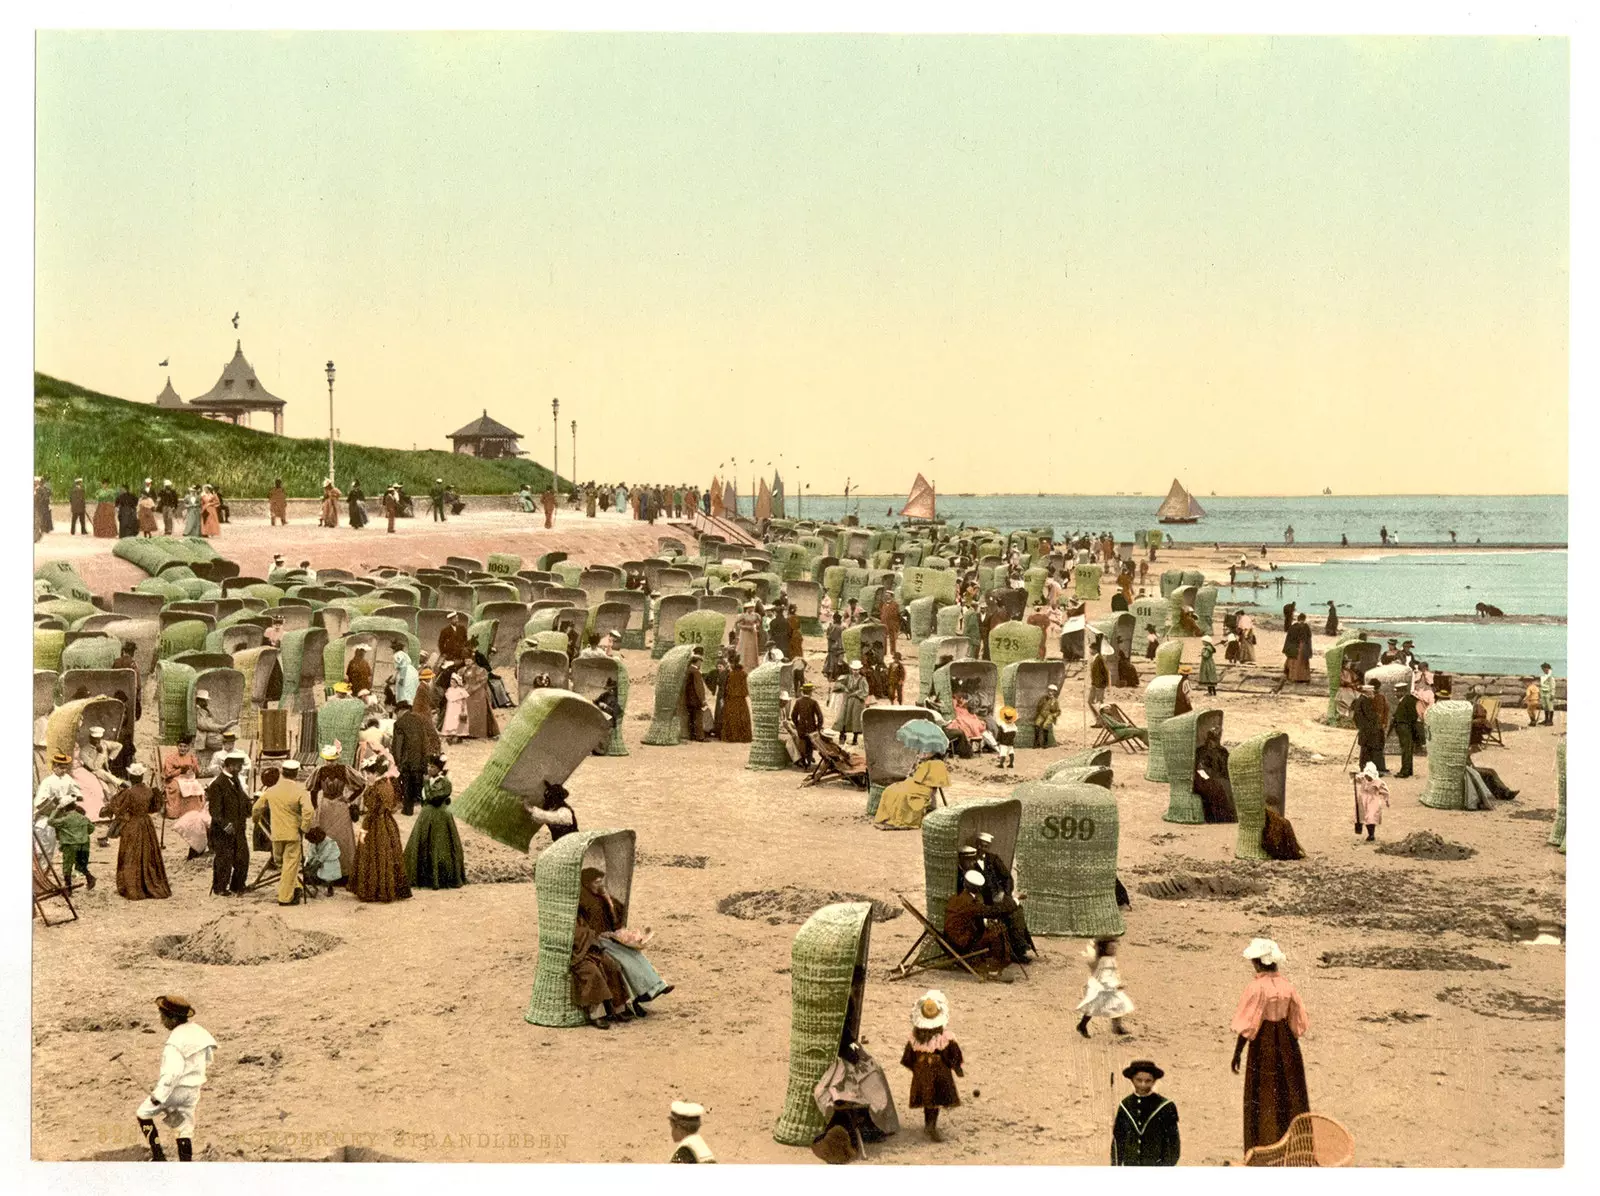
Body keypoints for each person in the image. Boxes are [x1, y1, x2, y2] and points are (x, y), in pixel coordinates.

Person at [1231, 938, 1311, 1153]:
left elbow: (1248, 1024)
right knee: (1289, 1091)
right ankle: (1292, 1144)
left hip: (1263, 1044)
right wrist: (1288, 1040)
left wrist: (1238, 1052)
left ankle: (1264, 1143)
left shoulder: (1256, 988)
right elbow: (1298, 1022)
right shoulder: (1287, 986)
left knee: (1263, 1092)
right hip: (1287, 1043)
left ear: (1257, 963)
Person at [136, 995, 216, 1163]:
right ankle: (185, 1164)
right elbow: (209, 1057)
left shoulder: (174, 1043)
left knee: (143, 1114)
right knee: (184, 1128)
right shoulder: (198, 1031)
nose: (161, 1021)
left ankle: (159, 1157)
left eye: (163, 1017)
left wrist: (159, 1096)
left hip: (175, 1090)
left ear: (172, 1018)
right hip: (194, 1089)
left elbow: (172, 1074)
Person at [901, 991, 964, 1142]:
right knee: (935, 1101)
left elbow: (908, 1058)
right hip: (938, 1072)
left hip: (922, 1073)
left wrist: (917, 1070)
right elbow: (953, 1053)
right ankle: (931, 1127)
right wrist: (957, 1068)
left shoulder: (915, 1038)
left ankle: (928, 1124)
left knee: (927, 1099)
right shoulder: (944, 1037)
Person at [252, 758, 315, 906]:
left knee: (282, 864)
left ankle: (296, 887)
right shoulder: (300, 791)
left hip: (276, 834)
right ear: (296, 773)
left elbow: (256, 808)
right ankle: (285, 898)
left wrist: (257, 820)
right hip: (293, 834)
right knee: (290, 865)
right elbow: (309, 811)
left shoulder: (271, 791)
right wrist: (304, 828)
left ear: (282, 772)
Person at [350, 757, 411, 903]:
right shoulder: (387, 784)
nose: (367, 776)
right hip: (388, 822)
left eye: (368, 773)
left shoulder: (376, 787)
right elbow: (394, 803)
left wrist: (369, 788)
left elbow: (371, 805)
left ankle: (375, 890)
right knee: (388, 853)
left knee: (372, 852)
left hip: (375, 823)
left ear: (375, 773)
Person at [107, 764, 170, 900]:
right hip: (146, 824)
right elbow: (154, 808)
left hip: (133, 825)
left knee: (131, 854)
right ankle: (149, 883)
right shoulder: (149, 791)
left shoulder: (128, 792)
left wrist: (113, 805)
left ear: (131, 777)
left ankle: (133, 887)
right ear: (141, 777)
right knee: (148, 853)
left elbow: (119, 810)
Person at [406, 755, 466, 889]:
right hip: (427, 816)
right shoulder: (430, 780)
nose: (429, 768)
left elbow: (433, 797)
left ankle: (441, 879)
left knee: (438, 846)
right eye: (428, 766)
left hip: (440, 818)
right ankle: (424, 878)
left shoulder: (444, 782)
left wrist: (426, 783)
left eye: (432, 767)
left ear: (439, 769)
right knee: (423, 844)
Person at [972, 833, 1034, 962]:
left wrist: (1004, 893)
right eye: (981, 845)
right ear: (977, 845)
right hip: (983, 901)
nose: (983, 848)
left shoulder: (994, 859)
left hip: (998, 897)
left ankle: (1019, 949)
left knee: (1017, 912)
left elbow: (1007, 878)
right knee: (1009, 912)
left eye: (986, 846)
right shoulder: (970, 862)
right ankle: (1011, 952)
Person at [941, 868, 1012, 974]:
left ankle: (989, 962)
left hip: (950, 940)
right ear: (979, 889)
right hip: (962, 945)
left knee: (990, 930)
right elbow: (992, 912)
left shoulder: (956, 898)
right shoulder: (970, 903)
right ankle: (994, 967)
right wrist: (1014, 902)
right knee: (997, 931)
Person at [1111, 1061, 1180, 1166]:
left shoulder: (1166, 1106)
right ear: (1132, 1080)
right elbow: (1118, 1140)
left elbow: (1173, 1144)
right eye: (1139, 1080)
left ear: (1154, 1081)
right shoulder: (1125, 1105)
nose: (1143, 1085)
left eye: (1148, 1081)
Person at [206, 753, 251, 896]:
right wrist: (225, 825)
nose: (240, 768)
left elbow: (242, 799)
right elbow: (215, 810)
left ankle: (237, 886)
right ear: (230, 765)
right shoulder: (217, 784)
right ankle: (220, 888)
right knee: (224, 859)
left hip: (238, 827)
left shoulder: (235, 780)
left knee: (242, 857)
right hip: (223, 830)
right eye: (238, 765)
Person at [873, 750, 949, 830]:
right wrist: (916, 765)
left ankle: (900, 820)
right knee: (889, 790)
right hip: (911, 783)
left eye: (928, 751)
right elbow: (911, 775)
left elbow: (933, 783)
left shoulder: (937, 764)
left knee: (902, 795)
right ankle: (888, 817)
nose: (924, 752)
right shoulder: (921, 761)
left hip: (923, 787)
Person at [1076, 938, 1133, 1037]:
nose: (1114, 949)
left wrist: (1118, 982)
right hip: (1104, 988)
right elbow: (1104, 975)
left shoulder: (1111, 959)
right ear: (1105, 949)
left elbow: (1114, 973)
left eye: (1115, 947)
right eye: (1111, 948)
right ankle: (1082, 1024)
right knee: (1095, 1006)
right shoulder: (1104, 960)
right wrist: (1114, 985)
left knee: (1117, 1004)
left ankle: (1117, 1027)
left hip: (1110, 987)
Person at [47, 793, 96, 893]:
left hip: (70, 845)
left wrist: (56, 809)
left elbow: (50, 821)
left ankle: (68, 888)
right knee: (81, 864)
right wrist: (81, 834)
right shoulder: (83, 817)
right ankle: (90, 878)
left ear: (64, 808)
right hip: (84, 844)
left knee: (67, 865)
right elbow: (91, 828)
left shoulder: (65, 819)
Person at [391, 698, 429, 815]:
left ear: (401, 711)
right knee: (419, 784)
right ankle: (426, 809)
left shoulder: (399, 724)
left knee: (407, 784)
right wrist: (424, 758)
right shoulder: (419, 721)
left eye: (396, 713)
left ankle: (408, 810)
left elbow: (398, 745)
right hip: (419, 757)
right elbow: (425, 741)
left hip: (406, 760)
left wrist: (398, 762)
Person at [1194, 727, 1236, 823]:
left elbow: (1227, 767)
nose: (1214, 741)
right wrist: (1209, 779)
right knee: (1217, 789)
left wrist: (1228, 778)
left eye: (1217, 737)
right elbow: (1200, 770)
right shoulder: (1201, 751)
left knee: (1230, 787)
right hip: (1205, 780)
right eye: (1213, 737)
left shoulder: (1223, 751)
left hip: (1221, 779)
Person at [1351, 680, 1387, 775]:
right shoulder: (1365, 701)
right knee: (1367, 750)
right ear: (1367, 692)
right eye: (1371, 691)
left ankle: (1365, 767)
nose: (1372, 693)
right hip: (1368, 730)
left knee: (1365, 749)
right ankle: (1365, 768)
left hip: (1364, 729)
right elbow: (1370, 715)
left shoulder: (1360, 700)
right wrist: (1377, 717)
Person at [1391, 683, 1422, 778]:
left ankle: (1405, 771)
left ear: (1403, 691)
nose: (1395, 694)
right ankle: (1408, 770)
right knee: (1407, 749)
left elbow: (1413, 715)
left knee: (1406, 750)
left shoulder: (1409, 700)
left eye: (1397, 692)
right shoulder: (1405, 700)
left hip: (1405, 728)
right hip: (1404, 728)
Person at [790, 682, 825, 767]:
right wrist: (818, 727)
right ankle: (808, 763)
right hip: (811, 729)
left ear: (803, 692)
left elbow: (793, 715)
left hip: (801, 729)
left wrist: (798, 725)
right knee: (809, 746)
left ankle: (803, 762)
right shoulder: (813, 702)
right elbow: (820, 716)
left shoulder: (798, 702)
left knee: (802, 745)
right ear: (810, 692)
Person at [834, 660, 868, 745]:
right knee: (843, 717)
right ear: (851, 669)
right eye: (853, 669)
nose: (855, 671)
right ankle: (842, 736)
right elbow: (837, 683)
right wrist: (844, 687)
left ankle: (855, 738)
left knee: (855, 719)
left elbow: (865, 691)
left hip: (857, 701)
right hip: (848, 700)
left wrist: (857, 693)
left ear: (859, 670)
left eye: (857, 670)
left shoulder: (863, 679)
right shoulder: (847, 677)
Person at [1353, 761, 1389, 842]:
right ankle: (1359, 827)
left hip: (1373, 801)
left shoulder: (1378, 782)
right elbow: (1355, 779)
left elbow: (1385, 791)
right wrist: (1353, 775)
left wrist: (1386, 800)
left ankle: (1371, 834)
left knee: (1371, 816)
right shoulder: (1363, 778)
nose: (1368, 777)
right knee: (1361, 815)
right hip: (1362, 800)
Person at [301, 827, 342, 897]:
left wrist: (317, 863)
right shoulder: (313, 843)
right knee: (311, 868)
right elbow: (311, 852)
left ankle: (330, 888)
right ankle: (315, 882)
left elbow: (325, 855)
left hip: (330, 860)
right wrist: (308, 862)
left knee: (329, 874)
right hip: (319, 857)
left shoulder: (329, 843)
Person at [720, 658, 752, 743]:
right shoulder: (744, 674)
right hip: (741, 699)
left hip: (731, 699)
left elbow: (727, 688)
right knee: (742, 717)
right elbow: (746, 687)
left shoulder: (731, 674)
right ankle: (743, 737)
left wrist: (724, 697)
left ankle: (732, 737)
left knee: (732, 717)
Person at [1282, 613, 1312, 684]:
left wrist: (1287, 648)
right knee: (1303, 663)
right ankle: (1304, 678)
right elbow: (1309, 638)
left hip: (1294, 647)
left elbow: (1288, 638)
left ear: (1298, 619)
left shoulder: (1293, 627)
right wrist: (1309, 650)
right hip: (1303, 647)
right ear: (1304, 619)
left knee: (1293, 662)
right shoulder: (1306, 627)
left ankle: (1293, 677)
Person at [684, 656, 709, 742]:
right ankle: (700, 737)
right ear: (697, 662)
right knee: (698, 717)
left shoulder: (687, 670)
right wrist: (703, 700)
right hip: (696, 699)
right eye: (700, 662)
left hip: (688, 699)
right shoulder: (696, 672)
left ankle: (691, 736)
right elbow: (699, 688)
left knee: (690, 718)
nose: (701, 664)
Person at [441, 672, 469, 742]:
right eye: (451, 682)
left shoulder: (460, 690)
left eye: (454, 682)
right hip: (451, 708)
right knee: (451, 720)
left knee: (458, 720)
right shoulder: (449, 689)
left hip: (458, 707)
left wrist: (463, 707)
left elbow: (464, 699)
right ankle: (451, 734)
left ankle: (458, 735)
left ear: (457, 683)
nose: (452, 683)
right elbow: (448, 697)